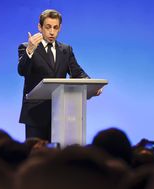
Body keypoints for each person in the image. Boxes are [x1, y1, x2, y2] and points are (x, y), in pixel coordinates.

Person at [18, 9, 101, 141]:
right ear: (40, 27)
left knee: (57, 156)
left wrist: (92, 86)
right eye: (48, 27)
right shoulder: (26, 47)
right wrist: (30, 50)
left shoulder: (66, 50)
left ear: (60, 28)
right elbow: (22, 71)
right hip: (35, 114)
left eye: (55, 28)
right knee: (37, 156)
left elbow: (77, 73)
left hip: (60, 113)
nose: (52, 32)